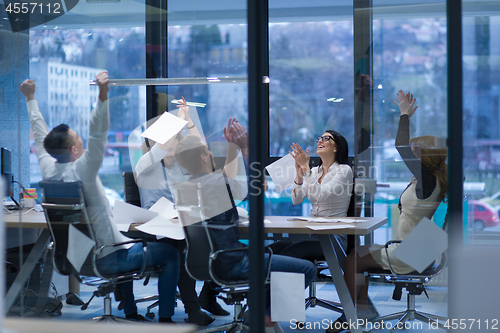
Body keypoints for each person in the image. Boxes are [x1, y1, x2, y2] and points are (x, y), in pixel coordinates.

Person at [21, 72, 180, 323]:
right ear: (74, 150)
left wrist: (30, 98)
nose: (83, 140)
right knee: (171, 253)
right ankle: (166, 319)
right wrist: (102, 96)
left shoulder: (48, 169)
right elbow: (98, 133)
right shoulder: (83, 170)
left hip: (77, 259)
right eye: (78, 139)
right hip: (107, 257)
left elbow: (41, 138)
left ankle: (130, 312)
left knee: (126, 240)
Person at [174, 119, 317, 333]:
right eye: (209, 151)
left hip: (204, 263)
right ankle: (264, 315)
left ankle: (259, 312)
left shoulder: (185, 188)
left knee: (273, 256)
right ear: (204, 157)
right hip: (233, 262)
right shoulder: (217, 183)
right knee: (307, 269)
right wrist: (245, 149)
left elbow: (229, 180)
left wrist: (234, 148)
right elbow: (257, 186)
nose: (213, 154)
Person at [326, 91, 448, 333]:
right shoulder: (429, 181)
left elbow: (400, 145)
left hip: (409, 252)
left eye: (417, 150)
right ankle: (360, 311)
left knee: (352, 260)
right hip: (417, 249)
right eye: (413, 149)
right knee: (356, 254)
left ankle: (350, 314)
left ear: (427, 155)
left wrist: (404, 115)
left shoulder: (427, 180)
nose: (411, 152)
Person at [134, 99, 229, 326]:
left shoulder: (178, 166)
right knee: (183, 250)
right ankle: (192, 308)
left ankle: (208, 294)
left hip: (181, 224)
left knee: (218, 240)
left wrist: (189, 124)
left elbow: (201, 152)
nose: (171, 148)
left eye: (175, 144)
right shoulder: (146, 165)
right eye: (167, 144)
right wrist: (176, 121)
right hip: (156, 228)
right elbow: (159, 147)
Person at [269, 131, 353, 262]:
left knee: (290, 252)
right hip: (312, 234)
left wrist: (305, 168)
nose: (320, 141)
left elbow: (321, 195)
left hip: (333, 237)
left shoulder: (344, 170)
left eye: (326, 138)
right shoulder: (314, 172)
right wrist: (299, 174)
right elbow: (296, 200)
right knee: (273, 248)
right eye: (320, 138)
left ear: (336, 148)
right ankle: (261, 281)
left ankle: (273, 282)